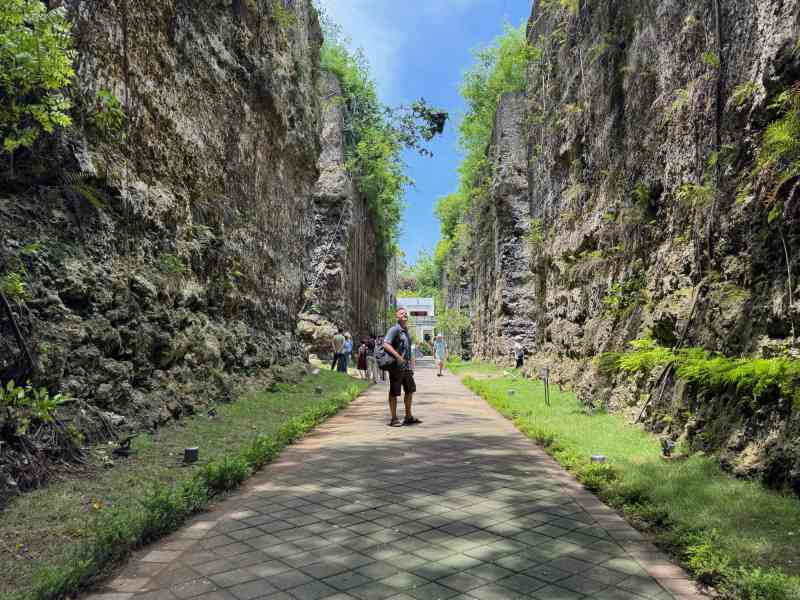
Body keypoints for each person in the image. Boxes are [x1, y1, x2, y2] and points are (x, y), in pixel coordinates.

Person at [383, 308, 421, 427]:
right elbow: (385, 344)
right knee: (394, 392)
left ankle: (408, 416)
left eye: (406, 313)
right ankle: (394, 419)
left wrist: (411, 364)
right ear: (397, 317)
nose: (404, 315)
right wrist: (398, 356)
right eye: (401, 313)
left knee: (410, 390)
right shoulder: (394, 329)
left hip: (407, 367)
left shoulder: (406, 331)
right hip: (397, 367)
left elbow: (408, 350)